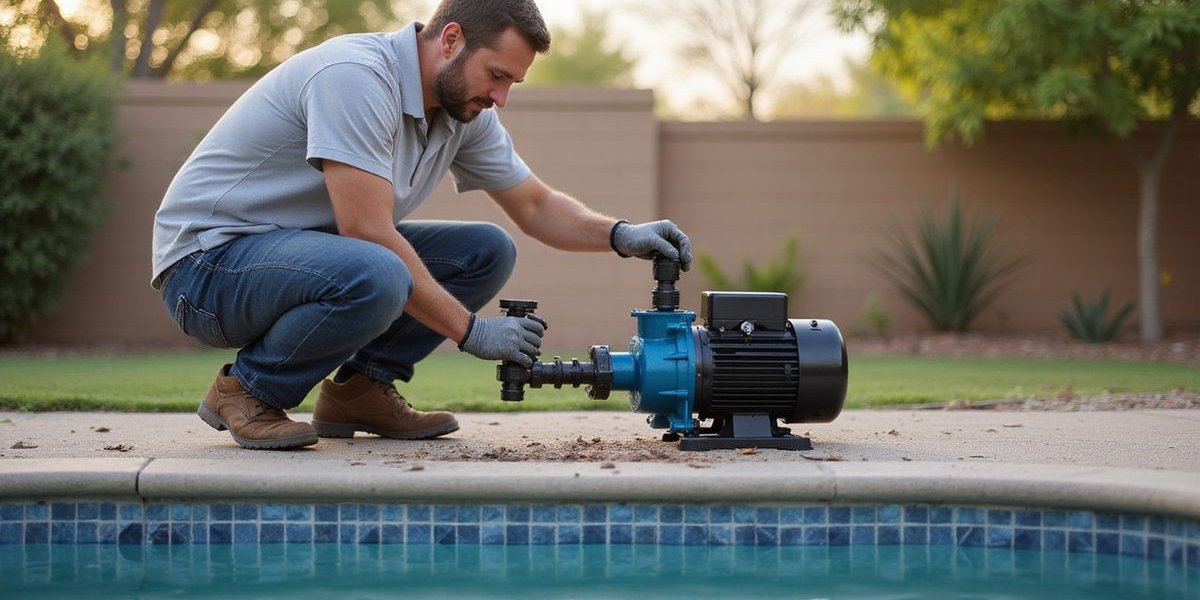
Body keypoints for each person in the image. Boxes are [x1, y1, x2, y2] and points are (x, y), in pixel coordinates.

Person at [151, 0, 692, 450]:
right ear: (451, 39)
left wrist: (621, 234)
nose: (500, 97)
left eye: (513, 84)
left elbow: (535, 206)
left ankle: (361, 389)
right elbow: (365, 230)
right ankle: (246, 390)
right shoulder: (357, 78)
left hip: (297, 257)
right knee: (379, 270)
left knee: (486, 250)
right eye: (497, 75)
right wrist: (472, 331)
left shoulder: (465, 111)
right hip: (206, 270)